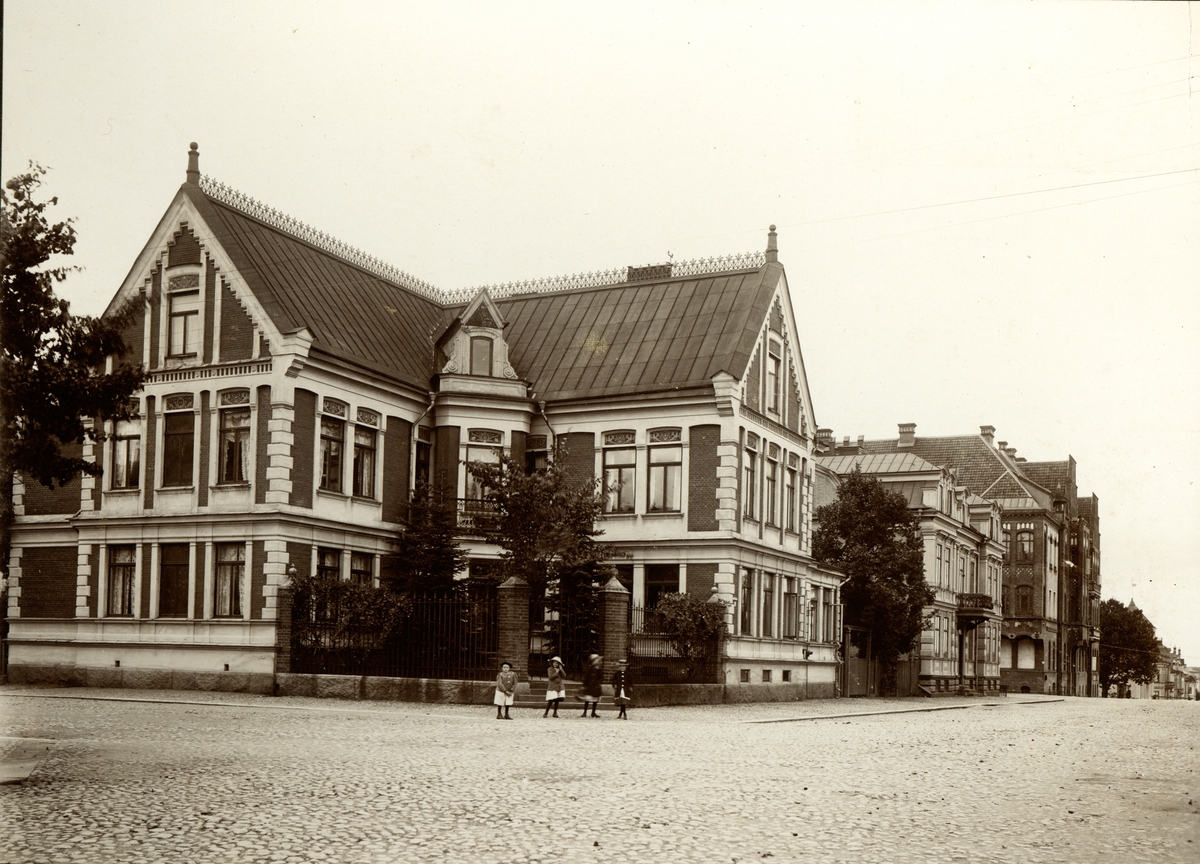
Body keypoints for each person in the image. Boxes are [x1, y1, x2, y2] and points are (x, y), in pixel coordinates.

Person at [581, 653, 603, 717]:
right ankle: (585, 712)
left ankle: (593, 712)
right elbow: (586, 677)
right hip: (589, 685)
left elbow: (600, 677)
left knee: (595, 699)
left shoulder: (598, 669)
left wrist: (599, 670)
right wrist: (584, 685)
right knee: (587, 699)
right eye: (595, 660)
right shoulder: (589, 669)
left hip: (596, 686)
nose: (597, 661)